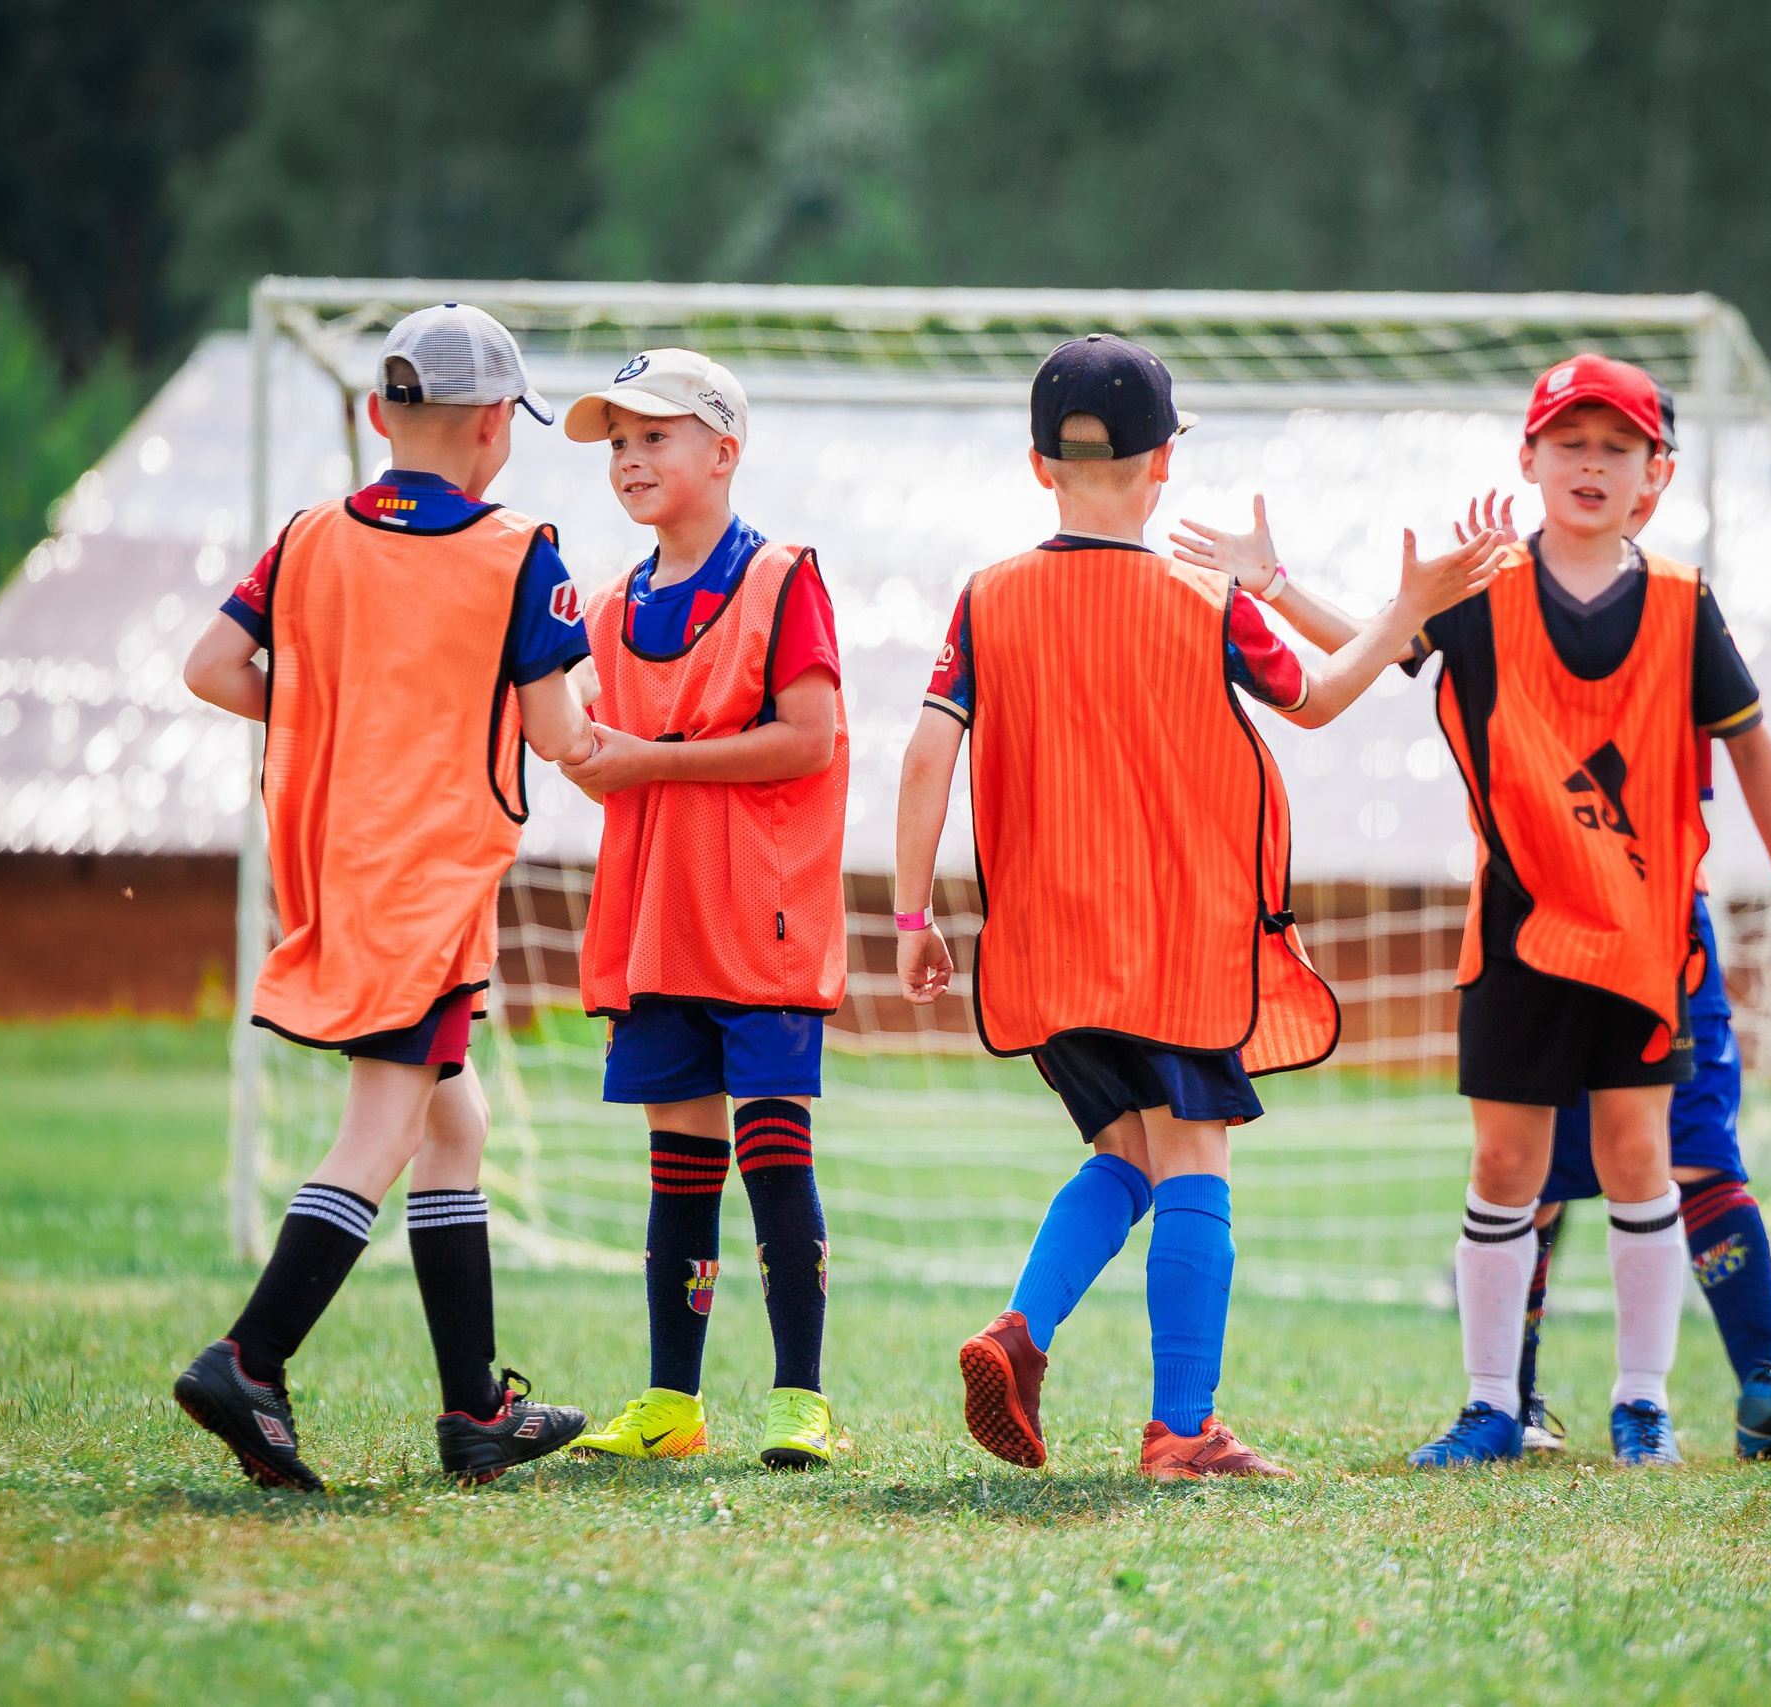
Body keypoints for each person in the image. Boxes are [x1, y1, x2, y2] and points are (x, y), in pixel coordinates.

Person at [1173, 351, 1771, 1468]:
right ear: (1527, 459)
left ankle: (1644, 1404)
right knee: (1503, 1171)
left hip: (1644, 940)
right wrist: (1276, 585)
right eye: (1568, 442)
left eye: (1615, 446)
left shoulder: (1680, 606)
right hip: (1521, 938)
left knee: (1641, 1159)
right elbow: (1378, 651)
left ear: (1653, 478)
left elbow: (1755, 750)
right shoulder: (1481, 592)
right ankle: (1492, 1408)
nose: (1590, 462)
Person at [896, 333, 1502, 1480]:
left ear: (1040, 467)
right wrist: (1405, 606)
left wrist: (914, 917)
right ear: (1163, 463)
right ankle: (1182, 1429)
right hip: (1174, 944)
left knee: (1126, 1150)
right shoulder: (1204, 597)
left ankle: (1019, 1332)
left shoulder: (987, 598)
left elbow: (928, 754)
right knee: (1197, 1160)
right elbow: (1318, 700)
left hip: (1044, 950)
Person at [170, 303, 594, 1490]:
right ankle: (249, 1362)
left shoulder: (307, 539)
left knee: (454, 1127)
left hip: (337, 867)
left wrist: (335, 715)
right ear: (497, 427)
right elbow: (559, 732)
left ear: (378, 415)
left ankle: (474, 1411)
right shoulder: (521, 552)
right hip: (434, 878)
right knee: (382, 1131)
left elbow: (211, 668)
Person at [549, 349, 848, 1472]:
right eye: (616, 441)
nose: (630, 457)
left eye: (654, 435)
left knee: (773, 1149)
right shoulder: (613, 603)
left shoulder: (780, 576)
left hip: (760, 919)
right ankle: (673, 1402)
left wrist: (652, 763)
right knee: (678, 1165)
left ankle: (798, 1399)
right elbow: (593, 749)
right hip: (656, 920)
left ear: (723, 452)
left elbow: (810, 738)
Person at [1517, 881, 1771, 1461]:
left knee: (1701, 1150)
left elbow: (1754, 780)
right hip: (1554, 909)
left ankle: (1760, 1387)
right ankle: (1512, 1396)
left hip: (1670, 918)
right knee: (1538, 1171)